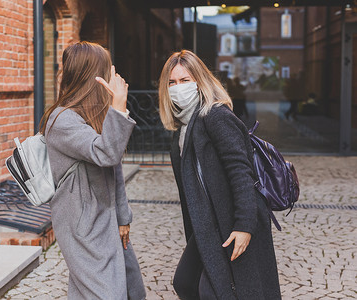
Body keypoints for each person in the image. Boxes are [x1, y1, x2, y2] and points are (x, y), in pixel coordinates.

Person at [158, 50, 281, 299]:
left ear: (199, 81)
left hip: (230, 220)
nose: (177, 87)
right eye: (172, 83)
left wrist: (245, 226)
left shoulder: (215, 116)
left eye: (185, 80)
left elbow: (241, 172)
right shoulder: (184, 125)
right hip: (208, 223)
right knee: (185, 282)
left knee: (218, 291)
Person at [40, 42, 146, 300]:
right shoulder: (61, 119)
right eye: (107, 71)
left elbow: (114, 167)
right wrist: (118, 107)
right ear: (92, 78)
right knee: (105, 293)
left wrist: (123, 217)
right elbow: (106, 152)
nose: (114, 77)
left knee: (127, 290)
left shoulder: (93, 116)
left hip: (106, 220)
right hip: (83, 227)